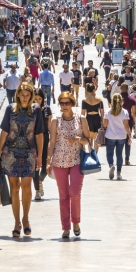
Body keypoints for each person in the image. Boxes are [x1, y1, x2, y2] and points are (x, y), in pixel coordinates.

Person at [0, 83, 44, 238]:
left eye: (27, 95)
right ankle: (17, 222)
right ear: (17, 94)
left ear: (31, 96)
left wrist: (40, 155)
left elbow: (39, 134)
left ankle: (26, 219)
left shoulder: (36, 110)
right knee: (15, 188)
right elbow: (4, 130)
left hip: (29, 152)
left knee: (26, 187)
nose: (25, 98)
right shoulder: (9, 109)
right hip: (10, 152)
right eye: (22, 94)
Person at [46, 92, 90, 238]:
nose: (65, 106)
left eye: (67, 103)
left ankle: (75, 222)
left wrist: (78, 139)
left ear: (72, 103)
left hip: (77, 160)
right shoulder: (55, 121)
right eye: (62, 103)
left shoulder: (81, 119)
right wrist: (48, 160)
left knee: (75, 193)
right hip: (59, 161)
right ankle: (65, 227)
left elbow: (87, 140)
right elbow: (52, 142)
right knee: (63, 195)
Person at [102, 94, 131, 180]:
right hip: (122, 136)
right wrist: (129, 135)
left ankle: (111, 165)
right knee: (119, 154)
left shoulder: (108, 111)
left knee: (109, 153)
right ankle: (118, 173)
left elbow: (105, 124)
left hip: (110, 136)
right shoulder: (124, 112)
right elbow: (126, 126)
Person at [33, 88, 53, 201]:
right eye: (35, 99)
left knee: (45, 168)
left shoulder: (47, 109)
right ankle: (37, 191)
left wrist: (53, 140)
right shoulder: (30, 110)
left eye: (39, 99)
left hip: (45, 139)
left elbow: (50, 126)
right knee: (35, 167)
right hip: (33, 141)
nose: (37, 101)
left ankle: (40, 181)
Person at [81, 83, 104, 153]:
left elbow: (82, 113)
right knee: (97, 138)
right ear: (94, 90)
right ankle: (96, 154)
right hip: (97, 118)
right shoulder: (99, 100)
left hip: (89, 118)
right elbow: (102, 113)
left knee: (90, 138)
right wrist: (102, 122)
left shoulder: (84, 100)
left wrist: (82, 124)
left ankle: (91, 153)